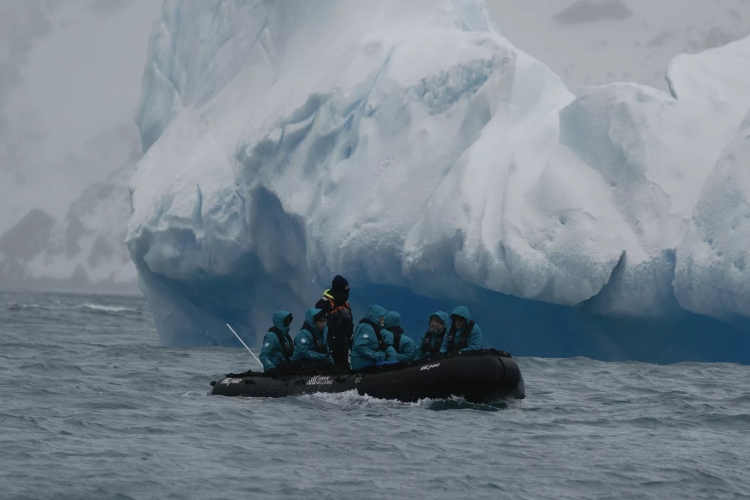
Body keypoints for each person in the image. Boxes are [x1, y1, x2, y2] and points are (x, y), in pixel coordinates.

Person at [315, 275, 354, 370]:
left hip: (344, 342)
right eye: (345, 287)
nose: (347, 290)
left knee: (344, 366)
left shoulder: (345, 303)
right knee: (334, 367)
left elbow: (350, 322)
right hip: (330, 342)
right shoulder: (324, 303)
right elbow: (317, 322)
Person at [350, 304, 398, 370]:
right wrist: (377, 355)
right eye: (381, 317)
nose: (383, 320)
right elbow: (360, 346)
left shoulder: (370, 327)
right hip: (363, 363)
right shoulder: (368, 328)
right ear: (376, 317)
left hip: (366, 362)